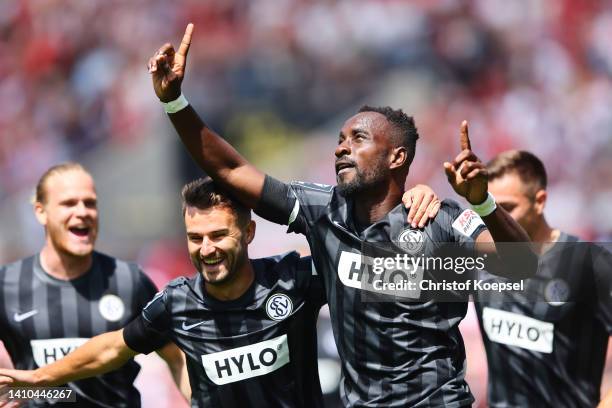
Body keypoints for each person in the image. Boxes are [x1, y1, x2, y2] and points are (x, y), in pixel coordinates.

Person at [147, 24, 537, 407]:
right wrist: (174, 103)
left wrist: (484, 203)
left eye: (358, 139)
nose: (341, 149)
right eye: (339, 140)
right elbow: (232, 171)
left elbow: (521, 266)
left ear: (396, 157)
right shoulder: (323, 213)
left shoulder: (442, 219)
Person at [0, 163, 188, 407]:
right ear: (40, 212)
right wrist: (18, 395)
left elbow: (178, 358)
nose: (82, 212)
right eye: (68, 203)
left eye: (90, 203)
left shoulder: (129, 281)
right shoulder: (6, 285)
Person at [473, 150, 612, 408]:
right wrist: (418, 192)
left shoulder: (590, 263)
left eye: (508, 208)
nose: (497, 218)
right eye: (489, 208)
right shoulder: (481, 259)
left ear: (540, 201)